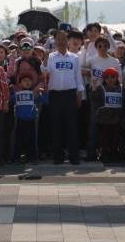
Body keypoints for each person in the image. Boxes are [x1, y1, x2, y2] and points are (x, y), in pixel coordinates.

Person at [43, 30, 84, 165]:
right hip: (55, 95)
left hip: (70, 95)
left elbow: (78, 77)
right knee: (56, 126)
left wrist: (80, 94)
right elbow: (44, 71)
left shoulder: (74, 58)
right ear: (55, 41)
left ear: (68, 41)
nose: (61, 41)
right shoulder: (51, 57)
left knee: (72, 126)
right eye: (58, 39)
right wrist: (44, 59)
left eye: (63, 39)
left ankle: (74, 156)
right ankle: (58, 156)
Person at [86, 36, 121, 160]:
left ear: (108, 47)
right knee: (94, 123)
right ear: (96, 47)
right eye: (100, 46)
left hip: (111, 94)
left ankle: (111, 151)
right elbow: (81, 67)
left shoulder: (114, 61)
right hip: (96, 93)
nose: (102, 48)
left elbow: (120, 78)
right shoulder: (91, 59)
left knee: (111, 125)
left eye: (105, 46)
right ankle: (92, 152)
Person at [89, 67, 125, 162]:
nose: (110, 79)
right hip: (105, 118)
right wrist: (93, 88)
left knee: (116, 135)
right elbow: (94, 100)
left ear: (116, 78)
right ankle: (105, 152)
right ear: (104, 79)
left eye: (113, 77)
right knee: (105, 135)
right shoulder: (101, 88)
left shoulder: (121, 89)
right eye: (107, 77)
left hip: (117, 117)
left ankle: (114, 152)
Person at [12, 74, 40, 164]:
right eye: (24, 81)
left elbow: (45, 100)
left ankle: (32, 157)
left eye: (29, 81)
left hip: (31, 120)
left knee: (31, 140)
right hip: (20, 120)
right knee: (19, 139)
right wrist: (10, 91)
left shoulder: (34, 93)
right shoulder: (17, 94)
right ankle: (16, 157)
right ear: (20, 84)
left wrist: (42, 93)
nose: (27, 82)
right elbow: (10, 100)